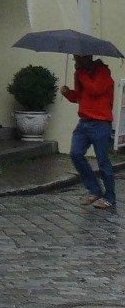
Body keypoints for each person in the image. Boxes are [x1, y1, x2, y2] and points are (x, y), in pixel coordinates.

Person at [64, 54, 116, 212]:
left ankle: (110, 198)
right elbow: (79, 96)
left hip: (101, 123)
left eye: (77, 58)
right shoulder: (80, 73)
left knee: (103, 162)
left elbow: (95, 90)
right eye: (74, 58)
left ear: (86, 57)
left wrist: (81, 74)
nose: (75, 61)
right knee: (76, 153)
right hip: (84, 121)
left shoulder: (103, 72)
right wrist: (68, 93)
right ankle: (94, 190)